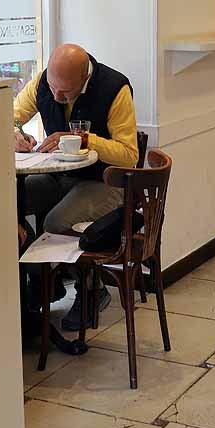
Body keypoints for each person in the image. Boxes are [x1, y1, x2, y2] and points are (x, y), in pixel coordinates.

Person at [14, 43, 138, 330]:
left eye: (65, 92)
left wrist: (84, 139)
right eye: (53, 88)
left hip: (105, 181)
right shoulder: (45, 82)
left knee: (56, 221)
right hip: (61, 176)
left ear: (85, 78)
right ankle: (45, 279)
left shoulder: (115, 89)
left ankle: (93, 291)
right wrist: (14, 134)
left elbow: (130, 156)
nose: (56, 96)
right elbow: (12, 116)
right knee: (9, 203)